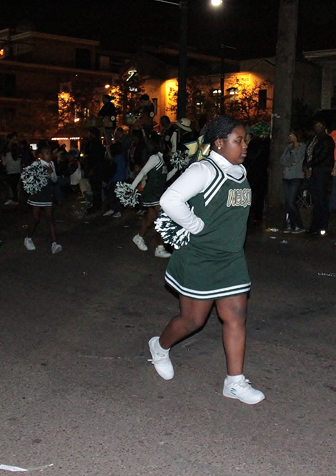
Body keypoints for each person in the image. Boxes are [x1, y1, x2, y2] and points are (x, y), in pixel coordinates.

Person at [148, 115, 264, 405]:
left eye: (245, 140)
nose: (245, 145)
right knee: (192, 320)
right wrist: (194, 225)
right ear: (220, 142)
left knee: (236, 316)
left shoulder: (240, 171)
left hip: (232, 257)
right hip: (200, 257)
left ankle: (234, 382)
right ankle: (160, 347)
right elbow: (169, 200)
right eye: (239, 140)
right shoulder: (204, 170)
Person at [130, 133, 175, 258]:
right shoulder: (154, 158)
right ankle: (160, 248)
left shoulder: (162, 160)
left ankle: (138, 237)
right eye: (163, 143)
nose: (166, 145)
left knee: (150, 220)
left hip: (159, 193)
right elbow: (143, 171)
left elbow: (165, 178)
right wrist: (131, 188)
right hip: (152, 194)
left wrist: (176, 168)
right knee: (164, 217)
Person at [23, 143, 63, 254]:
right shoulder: (36, 164)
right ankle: (28, 238)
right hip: (37, 195)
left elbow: (54, 180)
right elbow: (29, 178)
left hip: (47, 194)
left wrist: (51, 173)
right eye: (46, 153)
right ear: (40, 154)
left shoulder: (51, 164)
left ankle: (54, 244)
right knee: (36, 218)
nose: (49, 155)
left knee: (50, 218)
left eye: (50, 153)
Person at [304, 117, 335, 236]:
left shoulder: (327, 140)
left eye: (319, 125)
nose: (317, 128)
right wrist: (306, 166)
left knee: (320, 199)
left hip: (322, 171)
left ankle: (321, 226)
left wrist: (309, 164)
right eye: (316, 125)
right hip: (314, 171)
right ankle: (315, 226)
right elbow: (308, 154)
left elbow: (322, 156)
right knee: (316, 199)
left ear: (323, 126)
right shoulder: (314, 139)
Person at [279, 129, 307, 233]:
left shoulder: (302, 146)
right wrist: (289, 163)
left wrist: (290, 160)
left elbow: (296, 159)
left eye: (290, 135)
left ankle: (299, 225)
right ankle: (291, 225)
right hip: (286, 176)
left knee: (291, 201)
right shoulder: (288, 147)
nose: (288, 137)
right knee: (288, 202)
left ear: (295, 136)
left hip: (296, 176)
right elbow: (282, 160)